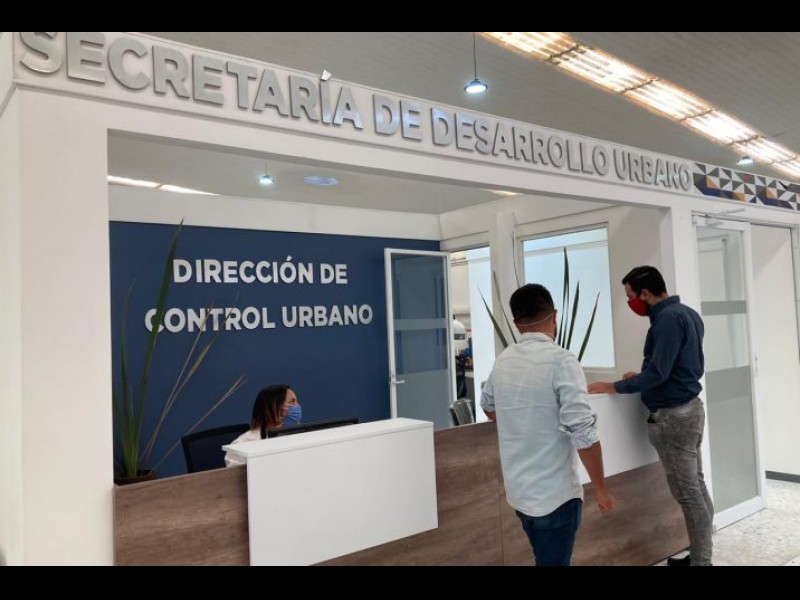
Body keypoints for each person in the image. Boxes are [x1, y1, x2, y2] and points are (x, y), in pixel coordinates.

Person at [481, 283, 615, 566]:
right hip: (556, 497)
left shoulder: (503, 361)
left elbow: (488, 406)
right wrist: (601, 488)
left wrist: (520, 418)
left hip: (519, 494)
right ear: (554, 315)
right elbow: (583, 432)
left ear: (516, 323)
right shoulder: (562, 361)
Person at [588, 266, 713, 566]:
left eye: (631, 296)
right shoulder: (687, 314)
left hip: (673, 417)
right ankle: (700, 556)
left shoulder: (667, 319)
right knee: (696, 487)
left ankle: (702, 562)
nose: (631, 303)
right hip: (690, 409)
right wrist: (642, 375)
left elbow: (660, 372)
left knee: (689, 494)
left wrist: (615, 386)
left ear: (645, 293)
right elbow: (677, 366)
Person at [224, 384, 301, 467]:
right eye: (292, 402)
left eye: (296, 402)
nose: (297, 406)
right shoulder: (241, 445)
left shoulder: (301, 437)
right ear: (273, 407)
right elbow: (237, 474)